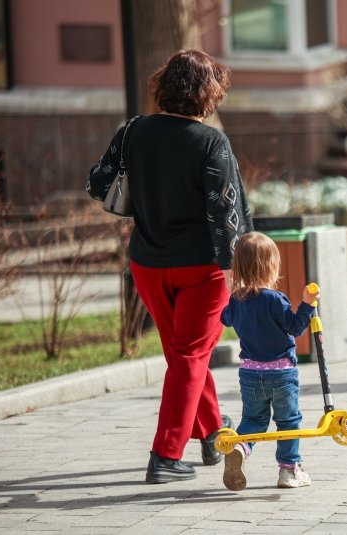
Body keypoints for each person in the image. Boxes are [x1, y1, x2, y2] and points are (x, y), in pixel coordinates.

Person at [86, 50, 253, 483]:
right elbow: (226, 213)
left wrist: (144, 196)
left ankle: (215, 436)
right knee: (189, 359)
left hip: (148, 263)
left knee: (184, 357)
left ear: (163, 85)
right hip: (202, 270)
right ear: (208, 94)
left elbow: (97, 183)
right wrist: (236, 268)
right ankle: (165, 455)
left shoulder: (134, 131)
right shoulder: (211, 142)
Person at [219, 232, 319, 491]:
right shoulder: (275, 299)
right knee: (287, 421)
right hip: (282, 373)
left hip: (250, 372)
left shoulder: (237, 299)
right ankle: (288, 470)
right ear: (271, 268)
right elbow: (295, 327)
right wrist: (307, 305)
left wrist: (233, 292)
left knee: (253, 419)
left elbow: (225, 319)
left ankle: (240, 447)